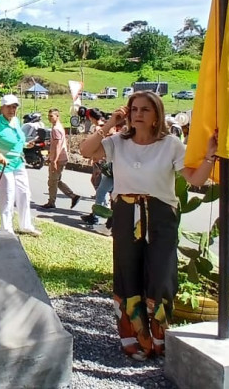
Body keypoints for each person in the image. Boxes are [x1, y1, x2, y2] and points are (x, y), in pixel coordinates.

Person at [81, 91, 216, 360]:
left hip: (160, 214)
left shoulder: (171, 145)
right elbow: (86, 151)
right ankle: (133, 338)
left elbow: (196, 179)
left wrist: (210, 156)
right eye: (133, 110)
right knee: (126, 273)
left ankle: (159, 340)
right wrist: (110, 123)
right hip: (126, 212)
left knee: (161, 276)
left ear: (157, 116)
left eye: (144, 110)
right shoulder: (117, 142)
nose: (137, 114)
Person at [0, 94, 39, 236]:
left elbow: (16, 140)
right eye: (9, 107)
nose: (12, 110)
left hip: (18, 162)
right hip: (3, 165)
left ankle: (26, 225)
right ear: (2, 108)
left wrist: (25, 144)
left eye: (14, 107)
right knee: (8, 195)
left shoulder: (16, 121)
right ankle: (6, 229)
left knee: (24, 193)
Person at [41, 108, 81, 210]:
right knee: (56, 180)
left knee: (52, 181)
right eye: (49, 116)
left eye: (52, 116)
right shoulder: (58, 127)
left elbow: (58, 145)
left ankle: (51, 202)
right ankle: (73, 196)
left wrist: (54, 160)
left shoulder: (56, 129)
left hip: (58, 158)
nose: (50, 118)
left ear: (57, 116)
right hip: (60, 157)